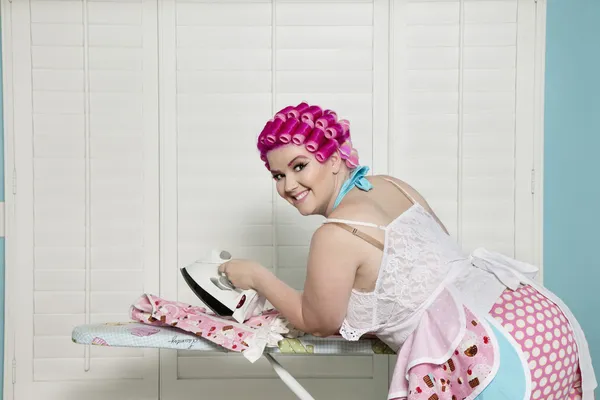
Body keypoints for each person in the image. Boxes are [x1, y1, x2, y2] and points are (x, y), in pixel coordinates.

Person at [218, 102, 596, 399]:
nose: (289, 185)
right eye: (278, 175)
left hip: (490, 352)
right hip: (533, 317)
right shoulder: (390, 185)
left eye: (300, 166)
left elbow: (318, 320)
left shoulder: (334, 235)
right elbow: (427, 265)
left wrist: (256, 276)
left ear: (333, 160)